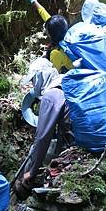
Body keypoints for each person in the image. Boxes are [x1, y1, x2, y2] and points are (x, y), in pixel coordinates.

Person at [15, 58, 73, 199]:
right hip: (85, 137)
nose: (33, 85)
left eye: (33, 80)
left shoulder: (50, 96)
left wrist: (32, 171)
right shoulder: (66, 82)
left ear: (41, 76)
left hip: (75, 144)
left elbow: (42, 137)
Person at [24, 0, 73, 73]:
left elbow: (53, 78)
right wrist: (33, 0)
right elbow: (47, 18)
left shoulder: (56, 53)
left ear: (51, 35)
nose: (45, 31)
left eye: (47, 31)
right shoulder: (69, 36)